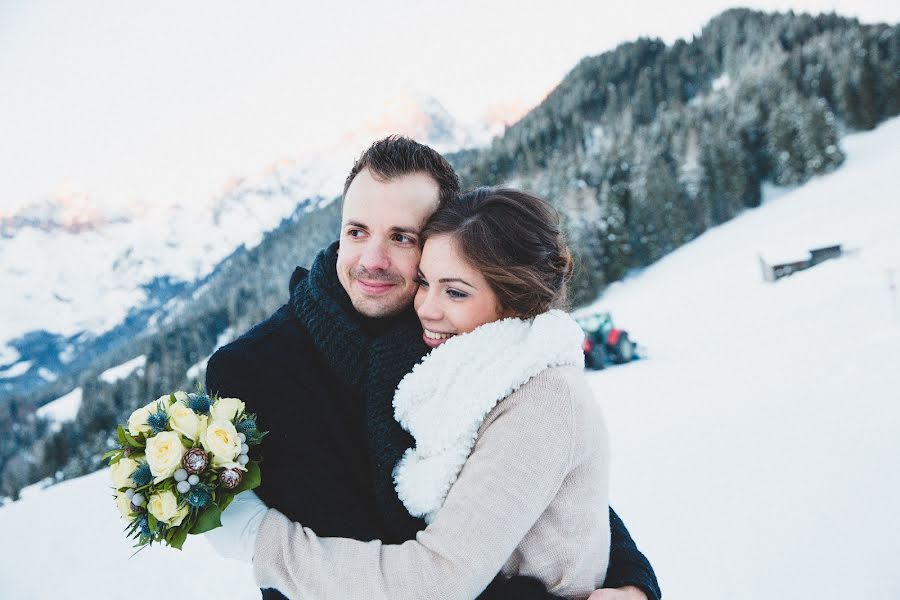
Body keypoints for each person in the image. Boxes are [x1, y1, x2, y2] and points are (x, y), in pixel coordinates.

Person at [205, 136, 661, 600]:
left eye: (402, 237)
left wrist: (631, 581)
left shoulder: (463, 331)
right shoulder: (256, 372)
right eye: (356, 231)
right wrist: (253, 538)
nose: (372, 261)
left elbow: (537, 487)